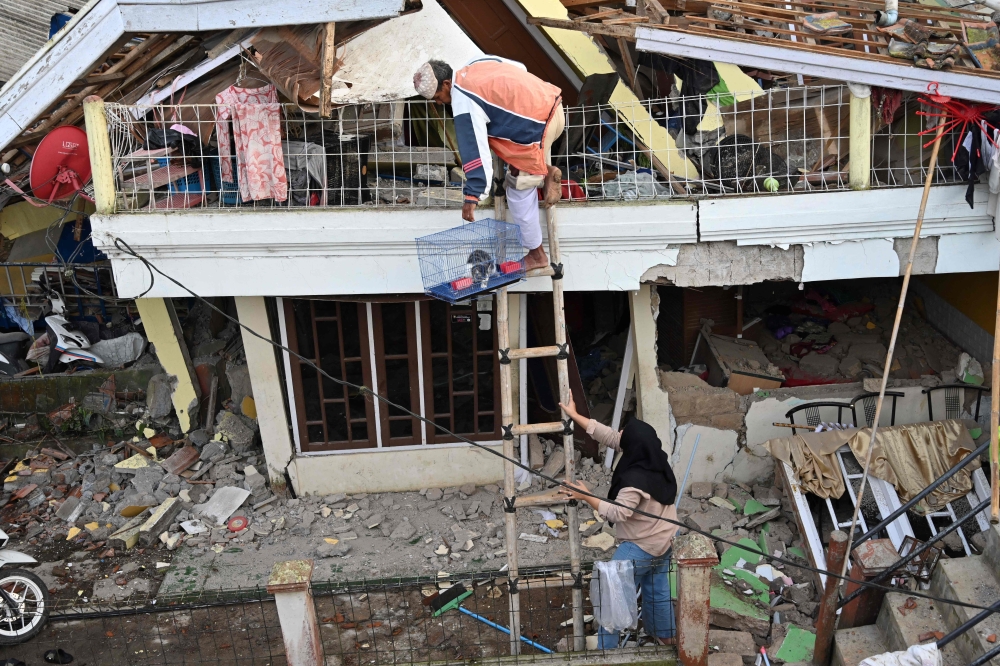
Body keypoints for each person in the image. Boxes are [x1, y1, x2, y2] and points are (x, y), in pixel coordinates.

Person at [413, 57, 564, 271]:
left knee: (516, 191)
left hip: (538, 128)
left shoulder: (462, 101)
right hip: (553, 105)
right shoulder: (474, 64)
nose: (438, 103)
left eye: (438, 97)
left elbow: (476, 152)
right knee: (508, 151)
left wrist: (472, 196)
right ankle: (543, 171)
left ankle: (536, 255)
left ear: (447, 84)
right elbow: (521, 67)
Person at [558, 395, 679, 647]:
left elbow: (617, 513)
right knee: (657, 588)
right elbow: (612, 436)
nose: (620, 433)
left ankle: (608, 651)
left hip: (641, 545)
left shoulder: (635, 481)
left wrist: (586, 496)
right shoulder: (653, 456)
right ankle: (666, 637)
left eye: (625, 432)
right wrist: (575, 414)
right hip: (665, 541)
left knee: (612, 593)